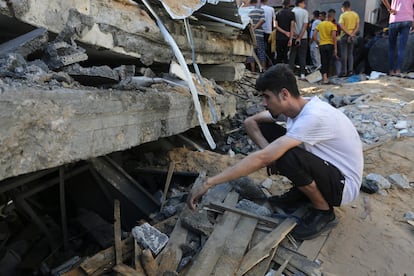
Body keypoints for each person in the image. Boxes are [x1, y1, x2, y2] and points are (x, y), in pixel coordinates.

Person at [187, 64, 364, 240]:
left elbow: (263, 158)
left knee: (286, 155)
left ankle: (323, 211)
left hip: (343, 187)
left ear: (284, 94)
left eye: (266, 97)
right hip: (329, 171)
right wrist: (271, 155)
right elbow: (250, 122)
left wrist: (209, 183)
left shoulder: (313, 116)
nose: (263, 103)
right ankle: (304, 193)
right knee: (269, 133)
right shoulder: (297, 107)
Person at [381, 0, 414, 76]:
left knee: (391, 48)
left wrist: (389, 9)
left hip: (394, 19)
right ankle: (398, 71)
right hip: (407, 19)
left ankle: (391, 71)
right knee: (401, 48)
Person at [313, 11, 338, 84]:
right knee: (329, 62)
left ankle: (324, 78)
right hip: (329, 44)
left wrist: (318, 42)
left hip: (322, 45)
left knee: (323, 61)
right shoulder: (332, 25)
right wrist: (335, 48)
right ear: (332, 17)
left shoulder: (320, 24)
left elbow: (314, 35)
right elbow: (334, 37)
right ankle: (328, 77)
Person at [338, 1, 360, 77]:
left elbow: (341, 26)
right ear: (350, 7)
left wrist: (349, 34)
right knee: (350, 54)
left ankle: (343, 71)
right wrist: (352, 34)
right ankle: (350, 71)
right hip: (352, 36)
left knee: (344, 54)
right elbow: (357, 26)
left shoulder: (343, 15)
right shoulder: (355, 14)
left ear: (344, 7)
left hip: (344, 36)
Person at [289, 0, 309, 80]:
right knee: (302, 56)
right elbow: (305, 26)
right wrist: (300, 37)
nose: (304, 4)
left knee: (292, 55)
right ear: (300, 3)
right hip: (303, 37)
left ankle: (290, 74)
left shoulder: (292, 11)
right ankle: (302, 74)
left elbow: (291, 25)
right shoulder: (305, 12)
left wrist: (295, 35)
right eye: (303, 3)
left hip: (293, 37)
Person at [246, 0, 266, 72]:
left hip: (249, 35)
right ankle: (263, 70)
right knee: (261, 52)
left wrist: (252, 29)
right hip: (259, 34)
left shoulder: (247, 10)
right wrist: (254, 28)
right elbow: (262, 20)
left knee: (251, 52)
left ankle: (253, 71)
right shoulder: (260, 10)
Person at [275, 0, 295, 64]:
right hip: (287, 37)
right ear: (289, 4)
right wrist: (291, 39)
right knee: (286, 55)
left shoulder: (277, 13)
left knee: (278, 55)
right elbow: (292, 27)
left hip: (278, 37)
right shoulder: (292, 13)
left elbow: (275, 26)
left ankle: (277, 71)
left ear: (282, 4)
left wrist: (284, 32)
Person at [261, 0, 276, 66]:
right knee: (270, 49)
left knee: (262, 48)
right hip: (269, 31)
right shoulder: (271, 9)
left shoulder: (259, 9)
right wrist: (275, 29)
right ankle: (270, 63)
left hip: (261, 31)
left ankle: (263, 64)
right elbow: (274, 20)